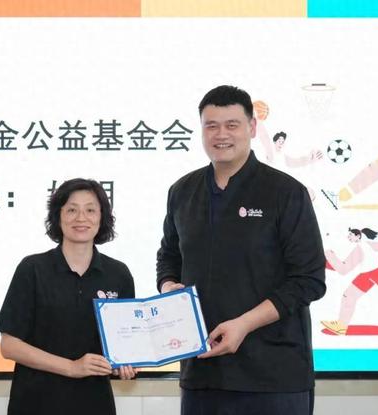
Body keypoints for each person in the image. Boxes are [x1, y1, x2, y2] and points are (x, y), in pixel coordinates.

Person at [156, 85, 326, 415]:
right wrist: (168, 287)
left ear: (252, 127)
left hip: (273, 376)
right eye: (211, 125)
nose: (221, 135)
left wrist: (245, 324)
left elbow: (309, 280)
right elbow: (169, 256)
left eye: (232, 125)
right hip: (202, 372)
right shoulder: (182, 191)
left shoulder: (286, 192)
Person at [0, 178, 136, 415]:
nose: (81, 218)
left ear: (102, 217)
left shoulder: (118, 274)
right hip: (35, 403)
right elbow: (9, 346)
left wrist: (124, 363)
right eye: (71, 210)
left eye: (90, 210)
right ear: (58, 217)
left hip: (94, 403)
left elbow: (124, 343)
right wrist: (71, 367)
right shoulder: (32, 269)